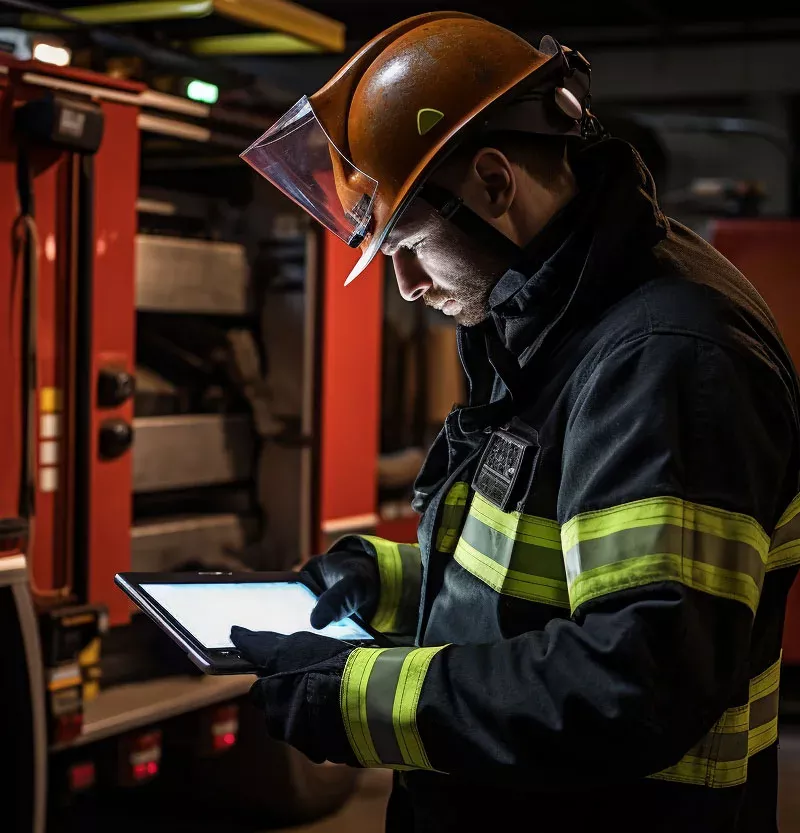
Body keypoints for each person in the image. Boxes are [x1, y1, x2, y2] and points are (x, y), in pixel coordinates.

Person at [232, 12, 800, 832]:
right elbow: (541, 579)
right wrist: (389, 582)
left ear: (495, 183)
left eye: (411, 242)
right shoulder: (554, 317)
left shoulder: (664, 354)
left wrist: (352, 694)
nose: (406, 284)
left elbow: (632, 683)